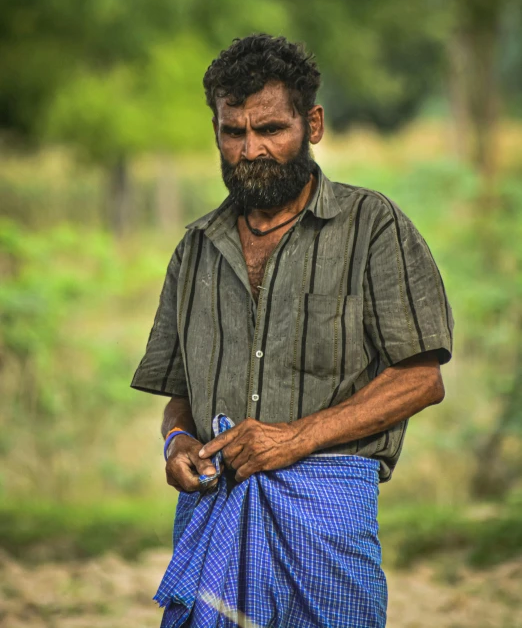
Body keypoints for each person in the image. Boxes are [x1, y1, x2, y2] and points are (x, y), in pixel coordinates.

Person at [131, 33, 454, 628]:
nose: (250, 149)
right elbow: (181, 390)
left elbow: (420, 380)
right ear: (218, 133)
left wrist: (294, 440)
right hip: (213, 511)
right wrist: (177, 445)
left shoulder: (371, 226)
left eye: (271, 130)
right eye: (233, 132)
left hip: (327, 526)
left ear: (313, 123)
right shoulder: (196, 249)